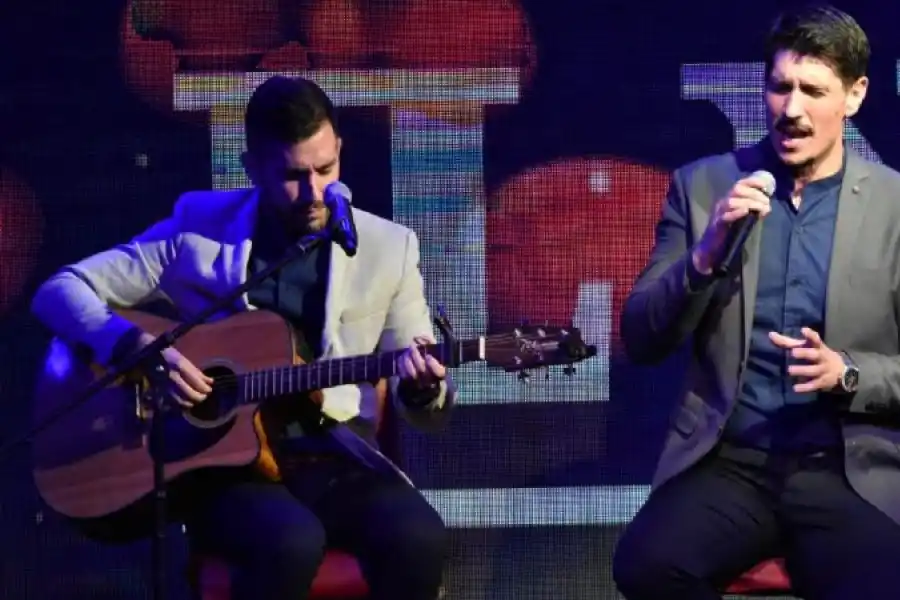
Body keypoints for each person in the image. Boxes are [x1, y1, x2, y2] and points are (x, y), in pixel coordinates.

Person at [31, 75, 454, 600]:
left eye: (326, 169)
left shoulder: (389, 247)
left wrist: (421, 388)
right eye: (294, 176)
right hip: (225, 469)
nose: (315, 192)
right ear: (253, 166)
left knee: (420, 537)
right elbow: (60, 289)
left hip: (329, 457)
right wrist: (133, 348)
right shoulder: (199, 229)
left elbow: (425, 401)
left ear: (340, 149)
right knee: (291, 543)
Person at [612, 5, 900, 599]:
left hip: (846, 464)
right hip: (731, 460)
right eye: (780, 86)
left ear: (855, 95)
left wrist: (849, 373)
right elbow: (641, 338)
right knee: (646, 565)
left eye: (814, 91)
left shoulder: (895, 208)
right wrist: (704, 256)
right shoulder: (703, 188)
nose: (792, 110)